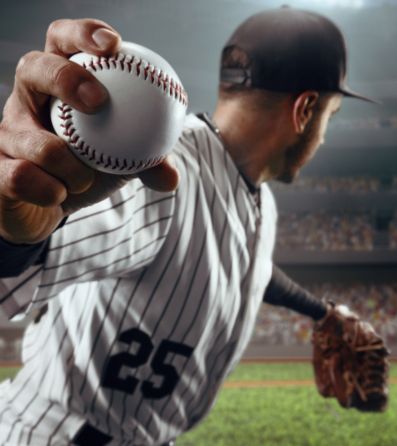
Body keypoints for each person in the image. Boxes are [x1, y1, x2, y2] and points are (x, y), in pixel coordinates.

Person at [0, 7, 384, 446]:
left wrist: (320, 310)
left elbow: (247, 267)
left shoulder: (260, 201)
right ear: (305, 109)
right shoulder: (157, 173)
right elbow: (25, 260)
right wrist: (10, 225)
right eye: (329, 118)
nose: (324, 136)